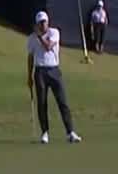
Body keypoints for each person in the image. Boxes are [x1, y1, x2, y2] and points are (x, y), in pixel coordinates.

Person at [26, 10, 81, 144]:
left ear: (48, 22)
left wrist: (39, 36)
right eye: (40, 23)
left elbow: (48, 47)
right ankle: (44, 133)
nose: (43, 25)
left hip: (54, 70)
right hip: (40, 72)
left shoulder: (54, 33)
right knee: (42, 103)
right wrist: (29, 76)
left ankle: (70, 132)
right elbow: (30, 57)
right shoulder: (31, 38)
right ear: (37, 24)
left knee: (62, 102)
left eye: (44, 22)